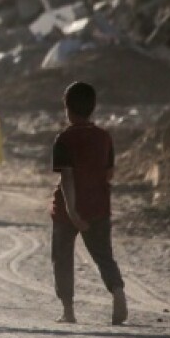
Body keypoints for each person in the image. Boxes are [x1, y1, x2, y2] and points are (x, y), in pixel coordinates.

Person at [50, 81, 127, 325]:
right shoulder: (105, 138)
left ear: (67, 108)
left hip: (67, 211)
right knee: (104, 255)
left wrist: (73, 211)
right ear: (93, 108)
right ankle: (118, 292)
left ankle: (68, 310)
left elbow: (67, 178)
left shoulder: (64, 140)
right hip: (98, 207)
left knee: (62, 257)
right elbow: (109, 173)